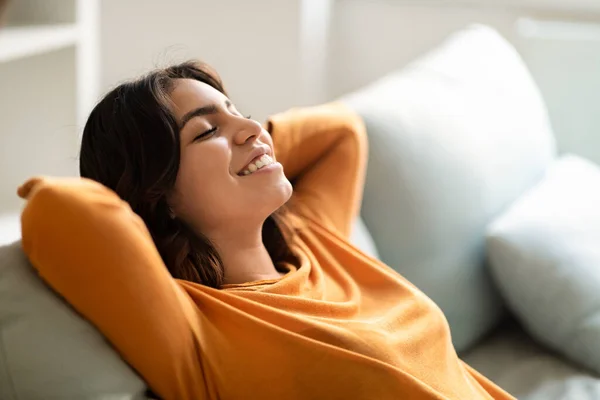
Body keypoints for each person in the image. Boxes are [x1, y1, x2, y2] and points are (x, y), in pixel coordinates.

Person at [17, 61, 515, 400]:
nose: (253, 129)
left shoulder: (312, 237)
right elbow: (59, 210)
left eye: (242, 112)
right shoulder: (198, 334)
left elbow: (342, 132)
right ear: (157, 193)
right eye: (206, 130)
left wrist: (249, 144)